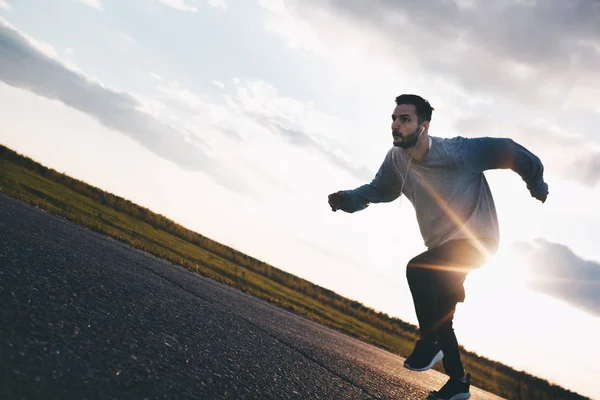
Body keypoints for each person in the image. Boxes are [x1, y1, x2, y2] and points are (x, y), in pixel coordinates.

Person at [327, 94, 548, 400]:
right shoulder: (396, 159)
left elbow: (509, 150)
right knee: (443, 315)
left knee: (418, 270)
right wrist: (348, 199)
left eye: (404, 119)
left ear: (424, 126)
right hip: (443, 250)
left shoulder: (457, 151)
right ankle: (458, 383)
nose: (395, 125)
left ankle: (430, 342)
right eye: (394, 118)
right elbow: (380, 190)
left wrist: (536, 184)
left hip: (477, 241)